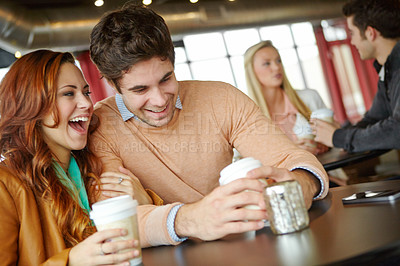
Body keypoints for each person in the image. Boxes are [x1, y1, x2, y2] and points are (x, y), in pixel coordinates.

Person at [89, 3, 329, 247]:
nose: (160, 99)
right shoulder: (100, 128)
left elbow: (292, 159)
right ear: (112, 83)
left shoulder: (221, 98)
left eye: (166, 79)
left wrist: (303, 183)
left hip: (245, 247)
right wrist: (190, 219)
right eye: (140, 89)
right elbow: (119, 223)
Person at [0, 50, 141, 265]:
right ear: (33, 104)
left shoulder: (91, 167)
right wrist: (70, 261)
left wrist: (144, 199)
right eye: (68, 93)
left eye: (86, 92)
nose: (86, 103)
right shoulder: (5, 186)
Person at [312, 0, 400, 153]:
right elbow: (374, 118)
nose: (351, 41)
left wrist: (339, 138)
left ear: (370, 33)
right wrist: (338, 136)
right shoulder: (388, 70)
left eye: (352, 33)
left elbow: (397, 131)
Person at [244, 40, 330, 155]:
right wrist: (290, 151)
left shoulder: (309, 97)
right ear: (252, 72)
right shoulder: (248, 117)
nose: (276, 67)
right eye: (266, 63)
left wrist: (325, 144)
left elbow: (334, 136)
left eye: (278, 61)